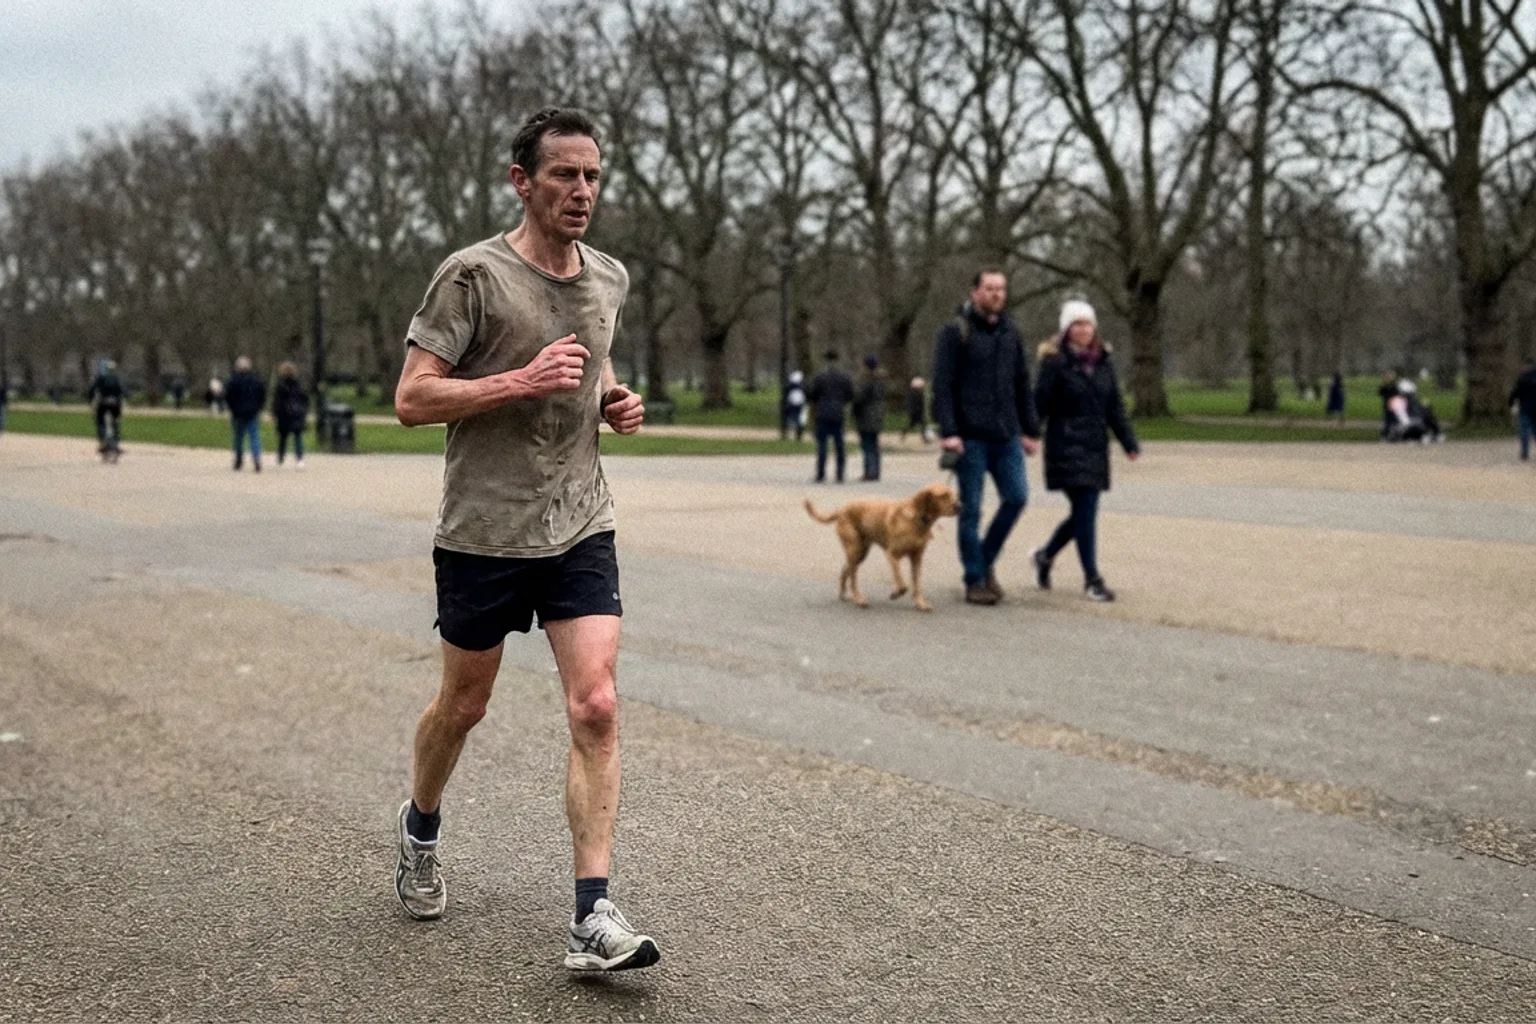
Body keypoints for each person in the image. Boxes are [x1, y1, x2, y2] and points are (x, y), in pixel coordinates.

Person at [391, 107, 657, 973]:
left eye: (592, 175)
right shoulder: (471, 277)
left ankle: (593, 915)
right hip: (484, 531)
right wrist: (518, 380)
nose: (582, 191)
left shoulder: (607, 279)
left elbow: (595, 369)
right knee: (463, 707)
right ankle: (421, 825)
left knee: (598, 705)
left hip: (579, 519)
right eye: (564, 176)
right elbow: (412, 398)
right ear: (523, 181)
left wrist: (614, 402)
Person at [931, 268, 1041, 606]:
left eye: (1001, 289)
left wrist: (1030, 428)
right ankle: (975, 579)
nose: (996, 294)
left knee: (1017, 497)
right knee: (971, 509)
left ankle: (984, 559)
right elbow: (942, 385)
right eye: (989, 288)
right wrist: (949, 431)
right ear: (975, 291)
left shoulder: (1010, 332)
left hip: (1005, 433)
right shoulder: (955, 332)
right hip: (970, 436)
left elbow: (1022, 383)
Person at [1029, 301, 1140, 602]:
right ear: (1067, 329)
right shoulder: (1054, 363)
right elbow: (1039, 404)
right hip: (1064, 443)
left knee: (1083, 512)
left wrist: (1128, 441)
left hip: (1094, 444)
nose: (1083, 329)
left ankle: (1045, 555)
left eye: (1087, 324)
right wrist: (1030, 433)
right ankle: (1092, 578)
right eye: (1076, 324)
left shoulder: (1104, 363)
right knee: (1086, 509)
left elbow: (1114, 406)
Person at [807, 348, 854, 483]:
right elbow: (850, 394)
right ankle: (840, 473)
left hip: (823, 412)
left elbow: (813, 395)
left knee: (822, 445)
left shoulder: (819, 377)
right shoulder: (844, 377)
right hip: (838, 412)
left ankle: (821, 473)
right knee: (839, 444)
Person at [225, 356, 266, 472]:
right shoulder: (256, 380)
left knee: (238, 437)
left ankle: (239, 459)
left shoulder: (233, 381)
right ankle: (256, 457)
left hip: (238, 413)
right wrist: (258, 407)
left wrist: (233, 409)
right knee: (254, 436)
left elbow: (228, 397)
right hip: (252, 412)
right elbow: (262, 395)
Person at [852, 354, 886, 481]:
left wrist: (854, 412)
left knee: (867, 445)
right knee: (875, 445)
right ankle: (875, 471)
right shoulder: (880, 381)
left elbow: (859, 399)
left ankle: (869, 472)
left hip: (866, 416)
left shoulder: (866, 382)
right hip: (877, 415)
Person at [271, 362, 310, 468]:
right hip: (297, 413)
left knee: (283, 438)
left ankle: (281, 457)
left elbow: (277, 401)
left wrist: (274, 412)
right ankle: (299, 458)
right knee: (298, 437)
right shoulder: (299, 384)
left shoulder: (280, 385)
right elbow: (305, 398)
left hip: (284, 413)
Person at [87, 359, 124, 455]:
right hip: (115, 403)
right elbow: (121, 391)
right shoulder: (117, 377)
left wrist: (90, 401)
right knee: (115, 423)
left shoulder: (100, 377)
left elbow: (93, 389)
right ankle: (115, 443)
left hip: (103, 402)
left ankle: (102, 440)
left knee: (100, 421)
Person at [1510, 359, 1536, 461]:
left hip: (1525, 408)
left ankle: (1525, 453)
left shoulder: (1522, 378)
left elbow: (1515, 393)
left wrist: (1511, 403)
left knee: (1524, 432)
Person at [781, 369, 807, 441]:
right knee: (798, 420)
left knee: (790, 419)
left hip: (792, 405)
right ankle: (797, 435)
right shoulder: (801, 387)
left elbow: (785, 396)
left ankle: (787, 434)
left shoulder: (789, 387)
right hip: (797, 405)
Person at [902, 376, 928, 441]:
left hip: (913, 411)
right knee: (919, 424)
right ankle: (924, 437)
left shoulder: (911, 392)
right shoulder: (918, 393)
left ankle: (903, 434)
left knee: (913, 424)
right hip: (917, 411)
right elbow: (920, 403)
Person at [1376, 371, 1399, 439]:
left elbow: (1396, 394)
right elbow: (1380, 392)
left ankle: (1394, 434)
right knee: (1387, 421)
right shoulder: (1385, 387)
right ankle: (1386, 434)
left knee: (1394, 420)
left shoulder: (1394, 386)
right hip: (1387, 405)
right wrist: (1384, 384)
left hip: (1393, 405)